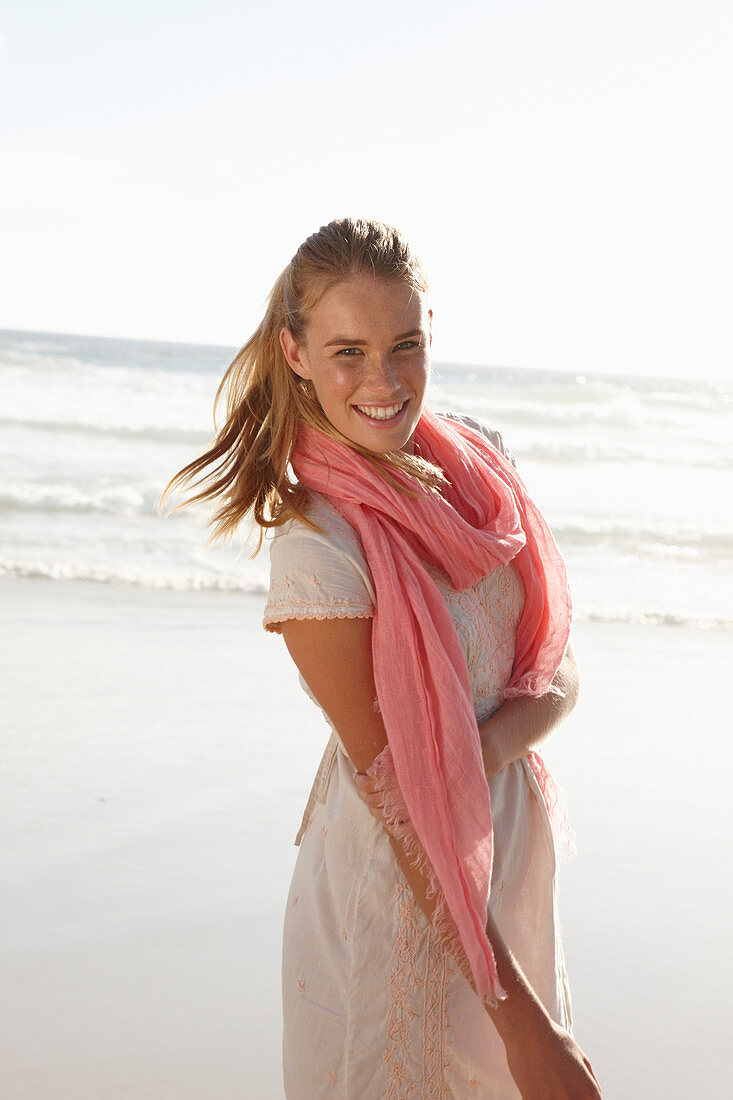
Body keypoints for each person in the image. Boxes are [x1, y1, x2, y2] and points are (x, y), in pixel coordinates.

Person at [163, 218, 601, 1099]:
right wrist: (526, 1028)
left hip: (498, 840)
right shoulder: (317, 546)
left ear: (430, 330)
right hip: (402, 879)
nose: (383, 381)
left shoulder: (479, 463)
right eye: (347, 351)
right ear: (294, 353)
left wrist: (467, 760)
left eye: (405, 345)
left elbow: (559, 670)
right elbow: (402, 799)